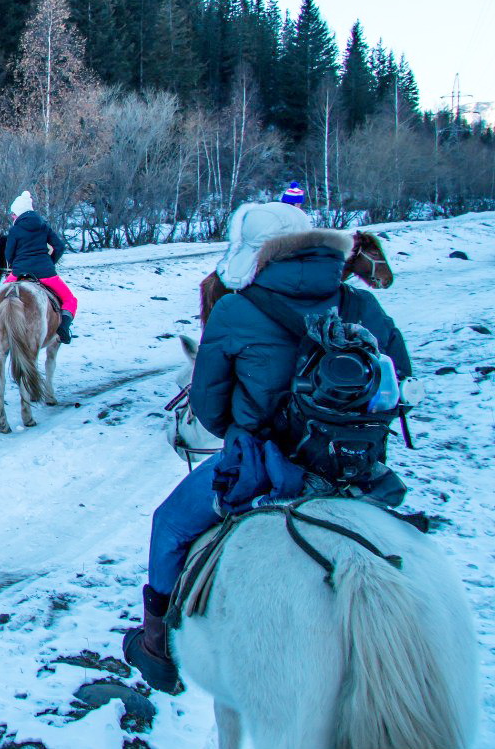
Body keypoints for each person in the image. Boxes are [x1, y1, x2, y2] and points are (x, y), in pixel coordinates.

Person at [123, 202, 413, 694]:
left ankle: (157, 648)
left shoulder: (236, 309)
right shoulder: (361, 306)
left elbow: (210, 408)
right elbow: (401, 381)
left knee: (169, 524)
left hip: (261, 466)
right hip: (354, 472)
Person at [4, 191, 77, 342]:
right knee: (70, 299)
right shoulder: (44, 226)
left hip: (19, 272)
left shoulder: (15, 230)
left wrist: (15, 265)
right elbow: (59, 247)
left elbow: (9, 254)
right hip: (46, 273)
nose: (12, 216)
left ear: (18, 213)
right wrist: (50, 262)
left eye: (13, 213)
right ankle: (63, 328)